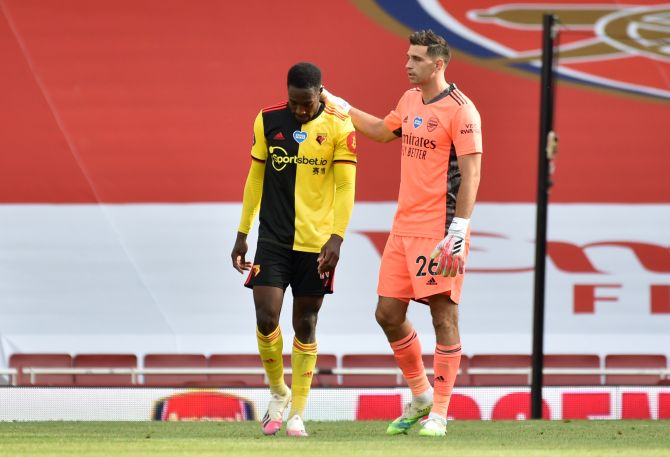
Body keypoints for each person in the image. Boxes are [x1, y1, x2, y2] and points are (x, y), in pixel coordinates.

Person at [323, 30, 482, 437]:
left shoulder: (462, 111)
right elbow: (378, 131)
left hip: (438, 230)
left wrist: (459, 229)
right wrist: (338, 105)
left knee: (443, 314)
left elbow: (471, 174)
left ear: (438, 64)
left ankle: (441, 415)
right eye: (408, 57)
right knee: (387, 314)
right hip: (403, 228)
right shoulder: (409, 100)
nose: (407, 64)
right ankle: (422, 395)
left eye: (415, 58)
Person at [231, 62, 357, 437]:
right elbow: (256, 176)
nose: (300, 111)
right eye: (294, 103)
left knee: (305, 323)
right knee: (266, 316)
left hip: (316, 243)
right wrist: (242, 231)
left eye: (306, 103)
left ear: (320, 92)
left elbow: (345, 187)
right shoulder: (268, 120)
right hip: (273, 239)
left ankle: (298, 411)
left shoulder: (340, 124)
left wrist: (337, 236)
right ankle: (278, 391)